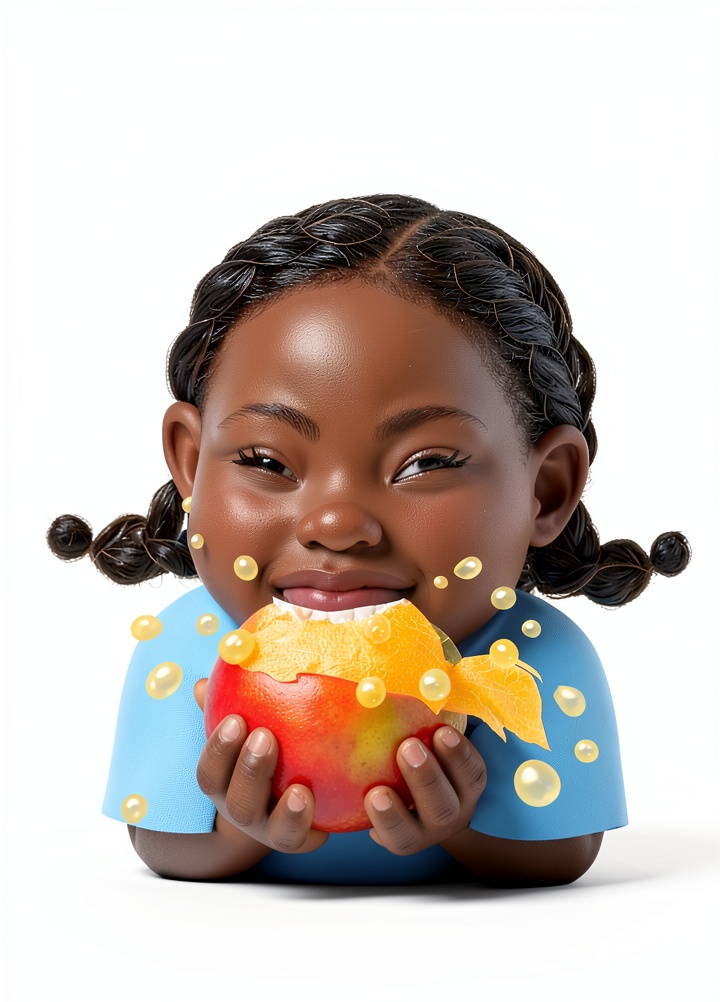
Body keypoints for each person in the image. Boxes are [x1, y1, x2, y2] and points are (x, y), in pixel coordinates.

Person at [47, 195, 690, 886]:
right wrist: (235, 824)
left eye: (426, 464)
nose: (336, 524)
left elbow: (560, 853)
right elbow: (160, 843)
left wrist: (462, 826)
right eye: (267, 462)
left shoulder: (529, 663)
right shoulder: (189, 646)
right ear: (189, 464)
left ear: (547, 491)